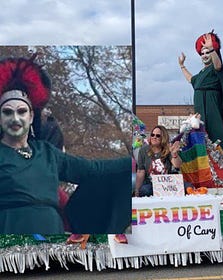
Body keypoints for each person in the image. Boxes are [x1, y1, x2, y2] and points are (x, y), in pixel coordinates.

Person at [0, 55, 131, 234]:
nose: (15, 118)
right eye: (7, 112)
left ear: (30, 116)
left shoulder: (47, 153)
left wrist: (137, 161)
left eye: (21, 111)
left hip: (53, 242)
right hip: (9, 243)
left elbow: (94, 169)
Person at [178, 31, 223, 152]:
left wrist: (212, 49)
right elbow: (192, 80)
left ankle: (222, 158)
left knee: (215, 134)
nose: (205, 55)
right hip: (200, 108)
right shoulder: (201, 73)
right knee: (200, 133)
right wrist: (182, 65)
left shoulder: (215, 68)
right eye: (202, 53)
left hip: (212, 107)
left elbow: (218, 65)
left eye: (207, 52)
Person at [134, 125, 182, 197]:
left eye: (158, 135)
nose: (154, 137)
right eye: (152, 135)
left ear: (163, 138)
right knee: (144, 190)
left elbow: (177, 165)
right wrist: (136, 190)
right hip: (151, 184)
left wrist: (174, 153)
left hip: (167, 184)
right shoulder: (143, 150)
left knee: (188, 186)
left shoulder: (168, 149)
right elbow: (140, 171)